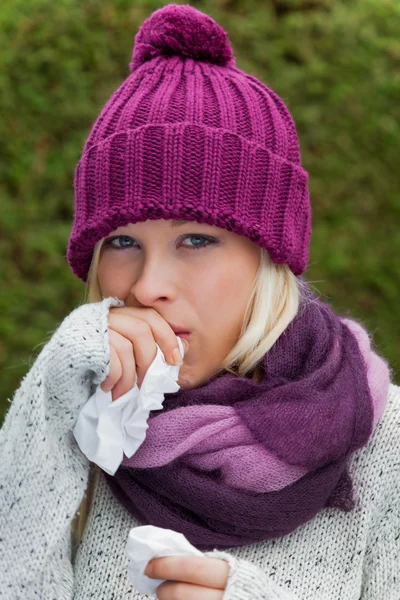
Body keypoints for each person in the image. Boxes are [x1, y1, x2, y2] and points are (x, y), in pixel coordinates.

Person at [1, 4, 399, 599]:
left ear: (270, 256)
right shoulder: (79, 414)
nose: (145, 285)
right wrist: (51, 400)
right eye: (123, 242)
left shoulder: (385, 439)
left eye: (196, 239)